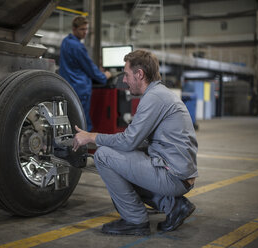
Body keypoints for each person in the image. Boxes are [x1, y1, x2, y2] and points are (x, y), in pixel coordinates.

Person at [72, 49, 198, 236]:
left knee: (103, 156)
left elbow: (128, 141)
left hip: (173, 176)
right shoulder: (159, 93)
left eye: (127, 74)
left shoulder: (154, 97)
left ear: (140, 74)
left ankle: (135, 220)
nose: (124, 80)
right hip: (177, 173)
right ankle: (174, 206)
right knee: (119, 160)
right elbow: (136, 141)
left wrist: (91, 137)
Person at [59, 16, 111, 131]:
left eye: (86, 29)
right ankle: (82, 147)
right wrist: (104, 76)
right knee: (82, 121)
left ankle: (69, 147)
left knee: (69, 120)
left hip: (67, 87)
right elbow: (90, 68)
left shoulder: (65, 42)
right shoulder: (78, 46)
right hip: (80, 89)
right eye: (82, 29)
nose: (85, 32)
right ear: (74, 29)